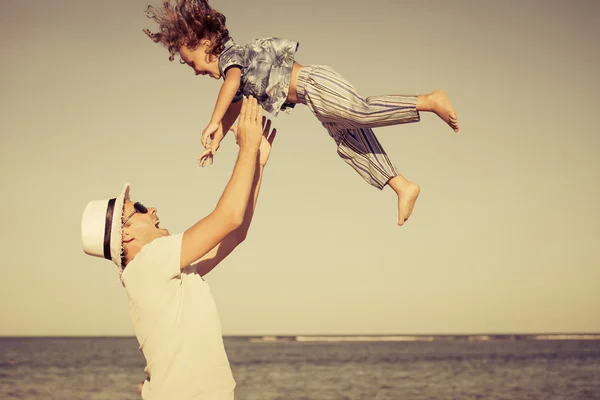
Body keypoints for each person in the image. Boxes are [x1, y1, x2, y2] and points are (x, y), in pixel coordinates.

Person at [143, 0, 460, 226]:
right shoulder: (232, 73)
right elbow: (235, 103)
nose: (196, 71)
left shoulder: (232, 57)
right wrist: (218, 139)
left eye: (192, 62)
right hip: (315, 102)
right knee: (351, 144)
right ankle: (402, 185)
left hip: (315, 83)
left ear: (208, 43)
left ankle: (428, 100)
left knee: (359, 111)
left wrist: (211, 121)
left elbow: (232, 84)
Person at [81, 97, 275, 399]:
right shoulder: (148, 263)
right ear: (126, 235)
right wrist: (248, 150)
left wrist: (257, 166)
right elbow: (227, 217)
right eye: (141, 208)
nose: (153, 209)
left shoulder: (162, 271)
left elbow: (236, 233)